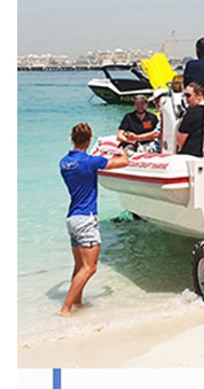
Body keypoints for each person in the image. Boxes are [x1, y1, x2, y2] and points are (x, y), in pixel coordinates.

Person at [59, 123, 129, 316]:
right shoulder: (91, 162)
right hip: (86, 218)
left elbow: (84, 166)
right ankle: (65, 308)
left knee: (79, 266)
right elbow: (123, 163)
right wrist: (120, 152)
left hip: (72, 218)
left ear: (72, 139)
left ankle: (78, 302)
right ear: (89, 140)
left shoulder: (64, 163)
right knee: (90, 268)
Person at [176, 82, 204, 156]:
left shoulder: (191, 113)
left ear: (199, 95)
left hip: (191, 155)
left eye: (188, 95)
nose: (186, 99)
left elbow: (180, 141)